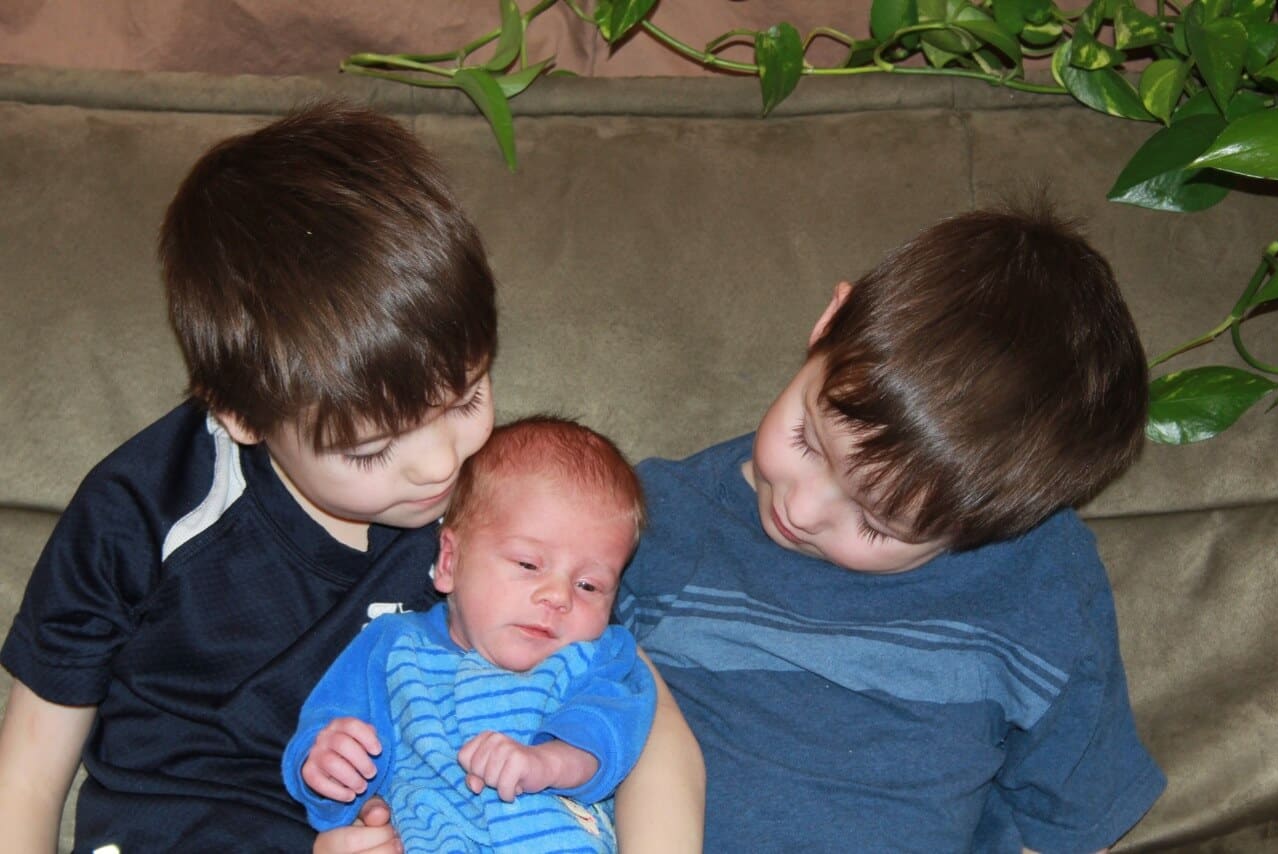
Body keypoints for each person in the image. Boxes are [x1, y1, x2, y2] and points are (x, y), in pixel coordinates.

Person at [0, 103, 702, 854]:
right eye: (371, 450)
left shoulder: (499, 494)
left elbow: (636, 704)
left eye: (467, 398)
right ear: (243, 415)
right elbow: (29, 777)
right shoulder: (140, 512)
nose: (440, 465)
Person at [616, 203, 1167, 852]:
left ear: (991, 527)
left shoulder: (1043, 586)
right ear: (830, 323)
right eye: (808, 440)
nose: (801, 509)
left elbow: (1071, 823)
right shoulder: (649, 518)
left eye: (876, 523)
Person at [283, 417, 654, 853]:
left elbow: (612, 731)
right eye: (528, 564)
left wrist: (547, 763)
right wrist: (327, 765)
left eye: (588, 586)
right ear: (449, 562)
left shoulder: (599, 656)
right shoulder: (392, 646)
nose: (558, 596)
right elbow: (330, 731)